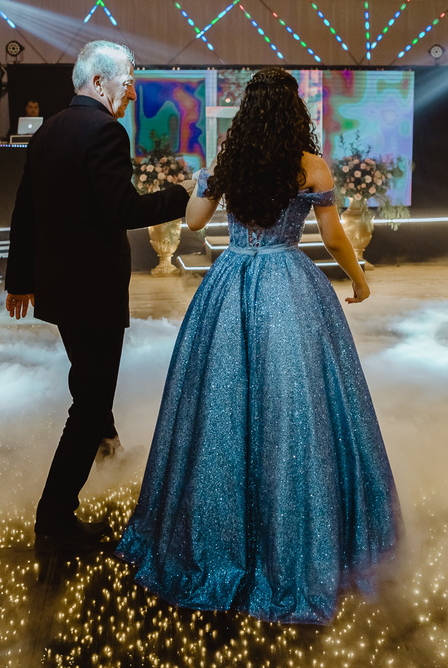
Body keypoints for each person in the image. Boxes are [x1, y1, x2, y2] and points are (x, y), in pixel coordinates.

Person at [117, 67, 401, 625]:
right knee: (295, 410)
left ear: (248, 110)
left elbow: (196, 223)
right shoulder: (310, 165)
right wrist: (357, 278)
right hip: (287, 285)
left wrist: (205, 181)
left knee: (220, 410)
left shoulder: (229, 159)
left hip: (229, 282)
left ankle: (217, 539)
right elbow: (333, 235)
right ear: (295, 110)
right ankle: (298, 543)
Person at [4, 41, 192, 550]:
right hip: (93, 292)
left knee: (88, 384)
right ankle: (54, 517)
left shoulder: (48, 131)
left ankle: (107, 452)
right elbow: (122, 210)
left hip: (62, 292)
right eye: (128, 82)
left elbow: (25, 209)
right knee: (89, 402)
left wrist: (19, 278)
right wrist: (184, 196)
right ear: (100, 82)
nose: (131, 93)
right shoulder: (106, 130)